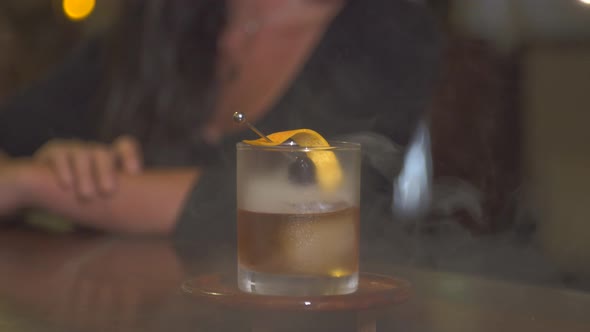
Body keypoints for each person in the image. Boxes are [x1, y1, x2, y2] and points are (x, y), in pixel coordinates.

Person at [0, 0, 441, 245]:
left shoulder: (391, 29)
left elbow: (295, 199)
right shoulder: (158, 20)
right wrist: (63, 163)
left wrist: (36, 185)